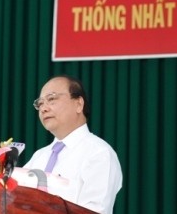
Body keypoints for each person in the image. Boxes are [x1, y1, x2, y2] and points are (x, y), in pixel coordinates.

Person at [23, 75, 122, 214]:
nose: (43, 108)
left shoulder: (99, 153)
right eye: (40, 104)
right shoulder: (39, 156)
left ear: (78, 104)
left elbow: (93, 211)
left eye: (51, 99)